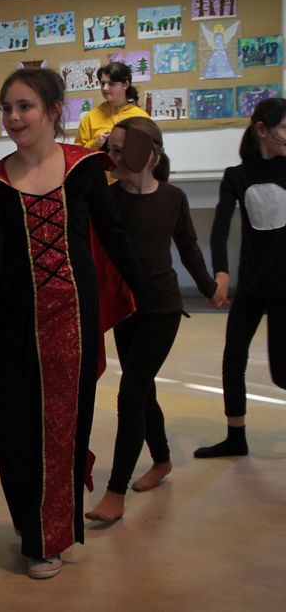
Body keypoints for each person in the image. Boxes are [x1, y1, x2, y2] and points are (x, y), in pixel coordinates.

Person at [0, 68, 142, 579]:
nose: (13, 117)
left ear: (54, 110)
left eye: (25, 107)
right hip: (16, 323)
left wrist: (147, 290)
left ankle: (47, 539)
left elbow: (113, 235)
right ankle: (32, 517)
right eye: (6, 108)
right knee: (3, 429)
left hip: (72, 322)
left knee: (59, 430)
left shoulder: (84, 169)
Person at [85, 117, 222, 523]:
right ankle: (161, 460)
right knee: (143, 391)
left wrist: (209, 286)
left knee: (130, 394)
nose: (112, 157)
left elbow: (188, 246)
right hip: (125, 308)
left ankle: (115, 493)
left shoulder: (173, 198)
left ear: (149, 155)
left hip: (162, 308)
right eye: (110, 149)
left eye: (119, 150)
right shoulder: (108, 199)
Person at [195, 97, 286, 458]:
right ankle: (236, 437)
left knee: (282, 373)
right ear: (262, 130)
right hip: (252, 283)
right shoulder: (237, 175)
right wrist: (221, 273)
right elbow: (219, 229)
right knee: (233, 358)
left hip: (285, 285)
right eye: (284, 127)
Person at [74, 62, 150, 151]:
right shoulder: (90, 117)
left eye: (111, 83)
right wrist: (95, 144)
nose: (105, 88)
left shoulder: (141, 117)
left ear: (125, 84)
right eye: (103, 83)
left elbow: (151, 150)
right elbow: (76, 152)